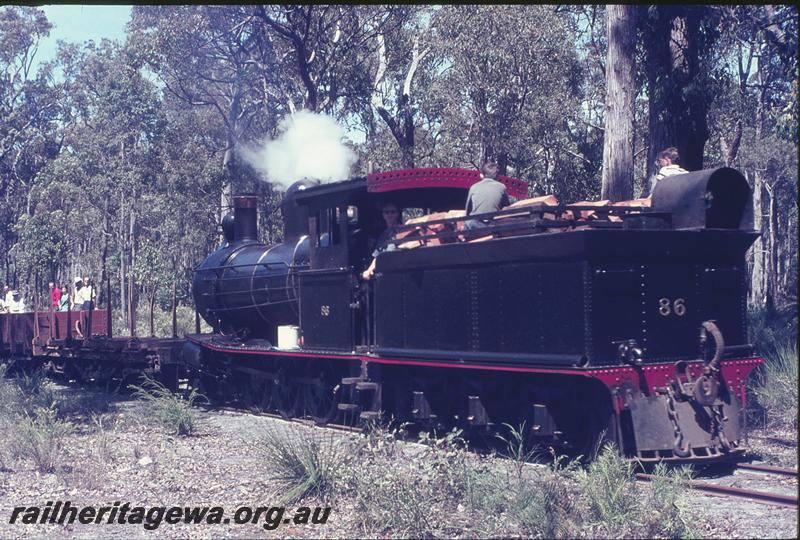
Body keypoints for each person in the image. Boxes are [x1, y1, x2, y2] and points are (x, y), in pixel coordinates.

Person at [464, 160, 514, 230]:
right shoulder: (502, 187)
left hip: (475, 225)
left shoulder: (474, 187)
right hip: (493, 225)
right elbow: (506, 207)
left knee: (468, 222)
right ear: (497, 176)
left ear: (482, 175)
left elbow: (467, 211)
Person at [361, 201, 402, 280]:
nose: (389, 215)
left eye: (392, 212)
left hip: (393, 272)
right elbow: (377, 253)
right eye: (387, 212)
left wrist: (369, 270)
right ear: (383, 215)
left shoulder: (400, 231)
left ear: (397, 214)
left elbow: (386, 255)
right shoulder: (384, 234)